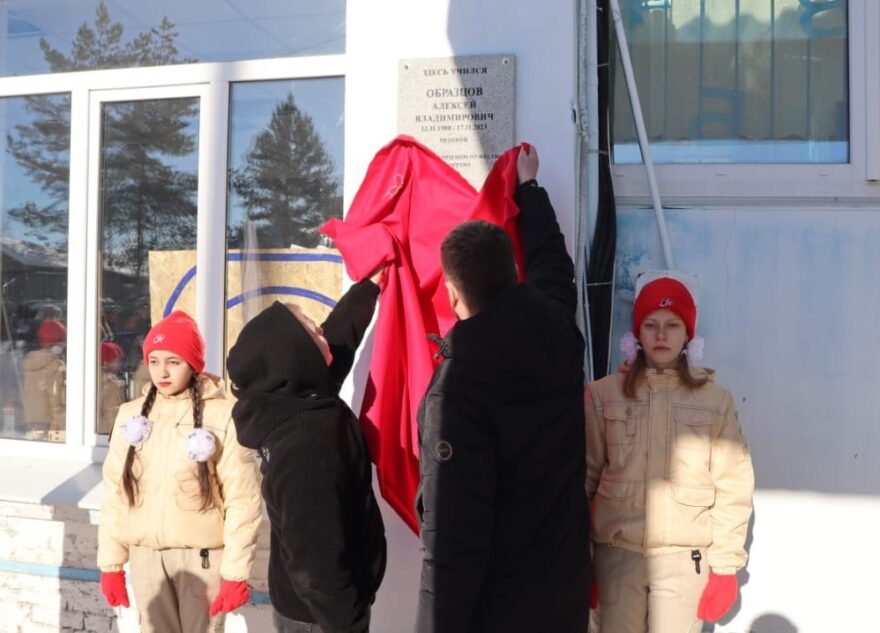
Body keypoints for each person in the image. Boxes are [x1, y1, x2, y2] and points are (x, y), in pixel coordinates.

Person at [414, 145, 590, 633]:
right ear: (513, 271)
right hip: (563, 594)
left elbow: (452, 532)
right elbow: (555, 267)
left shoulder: (458, 385)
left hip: (498, 609)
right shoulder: (557, 329)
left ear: (451, 292)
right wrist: (529, 189)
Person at [584, 271, 755, 632]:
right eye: (651, 324)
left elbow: (733, 489)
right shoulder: (602, 395)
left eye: (672, 324)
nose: (661, 335)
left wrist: (725, 568)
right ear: (637, 333)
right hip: (616, 559)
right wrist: (581, 562)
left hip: (685, 562)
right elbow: (584, 480)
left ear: (688, 333)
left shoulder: (714, 401)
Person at [226, 271, 388, 633]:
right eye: (312, 331)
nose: (322, 332)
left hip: (316, 606)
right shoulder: (304, 444)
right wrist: (350, 624)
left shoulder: (290, 397)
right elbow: (315, 566)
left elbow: (338, 341)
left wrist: (370, 286)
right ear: (293, 355)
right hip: (320, 617)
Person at [97, 310, 262, 633]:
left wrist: (235, 573)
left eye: (173, 361)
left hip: (201, 560)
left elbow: (243, 500)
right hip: (145, 558)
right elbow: (115, 493)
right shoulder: (130, 416)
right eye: (154, 360)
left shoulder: (224, 415)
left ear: (193, 364)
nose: (162, 371)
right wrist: (111, 563)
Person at [20, 318, 66, 440]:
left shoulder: (29, 362)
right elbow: (56, 398)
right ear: (56, 343)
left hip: (31, 423)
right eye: (62, 341)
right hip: (50, 424)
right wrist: (60, 427)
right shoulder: (55, 365)